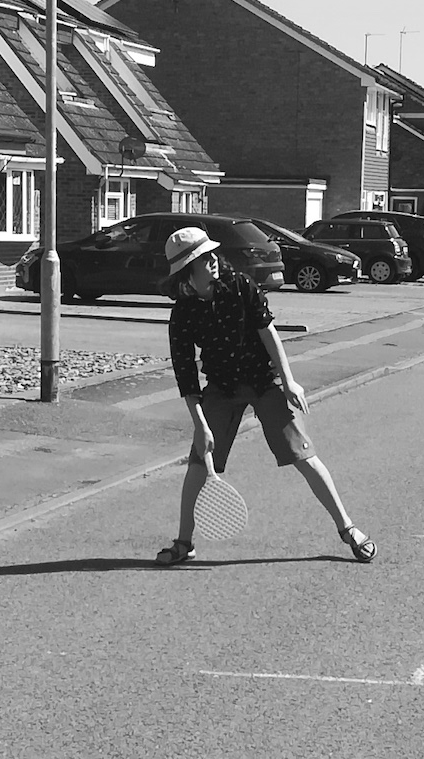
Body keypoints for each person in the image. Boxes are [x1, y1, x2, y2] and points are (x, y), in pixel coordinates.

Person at [155, 226, 376, 567]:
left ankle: (348, 529)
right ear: (188, 269)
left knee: (304, 456)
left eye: (213, 253)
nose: (214, 259)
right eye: (204, 257)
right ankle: (184, 543)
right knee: (199, 464)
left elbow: (267, 330)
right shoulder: (183, 312)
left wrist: (289, 381)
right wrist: (200, 426)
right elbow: (186, 375)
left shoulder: (240, 286)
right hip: (222, 388)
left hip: (264, 380)